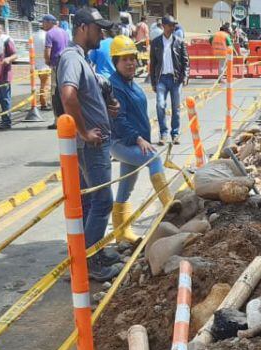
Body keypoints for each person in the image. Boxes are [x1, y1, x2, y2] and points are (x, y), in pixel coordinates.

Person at [58, 8, 123, 282]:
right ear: (83, 28)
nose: (102, 34)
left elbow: (86, 93)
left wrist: (107, 105)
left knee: (87, 201)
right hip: (91, 145)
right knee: (102, 201)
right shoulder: (72, 58)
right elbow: (68, 95)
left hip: (94, 141)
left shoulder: (82, 58)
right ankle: (89, 263)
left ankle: (87, 253)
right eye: (98, 29)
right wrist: (84, 132)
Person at [108, 35, 172, 245]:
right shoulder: (114, 86)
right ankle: (169, 207)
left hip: (132, 141)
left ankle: (121, 234)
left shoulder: (131, 84)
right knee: (153, 159)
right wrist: (137, 139)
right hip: (121, 142)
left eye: (132, 58)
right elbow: (119, 119)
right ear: (115, 62)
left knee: (126, 187)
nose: (129, 63)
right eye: (124, 59)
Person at [149, 15, 189, 145]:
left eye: (174, 26)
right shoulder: (155, 43)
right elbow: (153, 64)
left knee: (176, 108)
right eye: (170, 25)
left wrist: (186, 76)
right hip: (161, 79)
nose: (173, 28)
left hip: (175, 79)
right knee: (160, 106)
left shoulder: (179, 41)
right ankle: (163, 134)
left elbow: (185, 60)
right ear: (163, 26)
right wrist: (153, 82)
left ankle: (175, 134)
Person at [42, 14, 70, 128]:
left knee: (55, 93)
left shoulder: (49, 33)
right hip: (66, 63)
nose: (42, 24)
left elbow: (47, 52)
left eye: (43, 22)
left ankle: (57, 120)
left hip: (56, 65)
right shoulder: (64, 32)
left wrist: (47, 61)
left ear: (49, 22)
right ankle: (68, 117)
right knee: (65, 90)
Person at [0, 21, 18, 130]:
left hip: (5, 74)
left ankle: (7, 121)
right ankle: (5, 120)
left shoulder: (6, 40)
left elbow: (15, 55)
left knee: (5, 98)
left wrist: (8, 59)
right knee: (1, 99)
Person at [32, 19, 51, 110]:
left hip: (37, 64)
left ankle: (44, 102)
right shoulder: (46, 36)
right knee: (46, 85)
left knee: (42, 84)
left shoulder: (34, 35)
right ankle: (44, 104)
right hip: (45, 64)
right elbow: (47, 49)